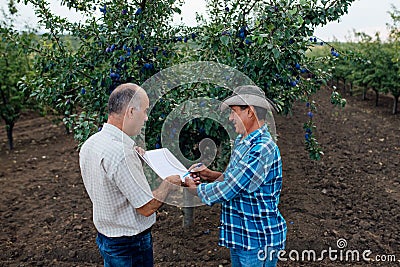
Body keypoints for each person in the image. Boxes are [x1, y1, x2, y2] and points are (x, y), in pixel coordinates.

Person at [79, 83, 182, 267]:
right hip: (130, 246)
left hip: (107, 238)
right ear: (131, 111)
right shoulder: (122, 154)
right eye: (145, 111)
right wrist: (168, 183)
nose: (146, 118)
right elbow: (146, 207)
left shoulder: (91, 143)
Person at [185, 85, 287, 267]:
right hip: (242, 236)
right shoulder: (243, 142)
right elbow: (235, 179)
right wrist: (210, 175)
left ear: (250, 111)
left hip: (257, 240)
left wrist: (196, 191)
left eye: (234, 112)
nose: (231, 118)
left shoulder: (262, 148)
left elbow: (231, 189)